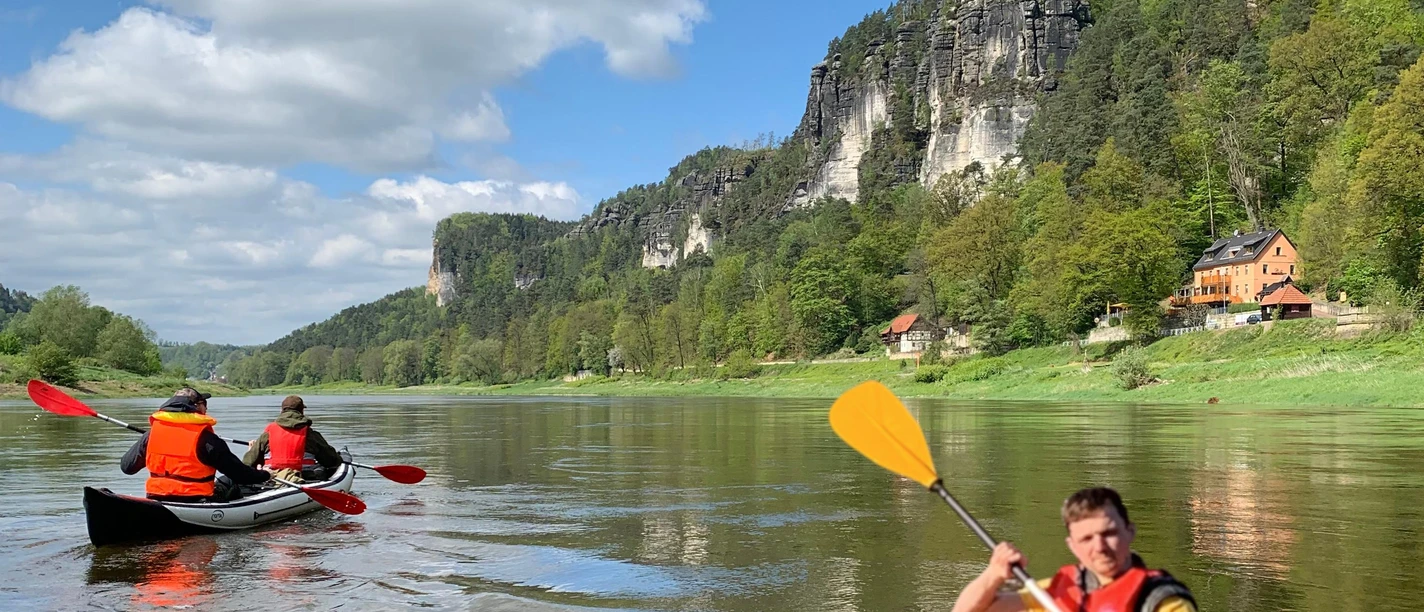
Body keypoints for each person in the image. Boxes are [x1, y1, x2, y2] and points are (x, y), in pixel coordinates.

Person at [952, 487, 1196, 612]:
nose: (1099, 547)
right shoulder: (1056, 591)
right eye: (1087, 538)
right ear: (1073, 546)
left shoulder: (1163, 601)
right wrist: (993, 575)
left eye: (1108, 534)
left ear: (1129, 531)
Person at [120, 387, 271, 502]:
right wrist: (265, 474)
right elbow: (240, 475)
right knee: (230, 481)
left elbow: (127, 467)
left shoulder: (150, 435)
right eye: (204, 404)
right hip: (196, 500)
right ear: (197, 407)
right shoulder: (208, 441)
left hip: (157, 497)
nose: (206, 408)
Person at [241, 395, 342, 482]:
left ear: (282, 411)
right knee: (322, 469)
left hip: (273, 477)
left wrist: (251, 450)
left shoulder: (267, 433)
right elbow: (331, 461)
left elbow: (248, 463)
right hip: (305, 477)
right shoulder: (310, 434)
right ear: (301, 411)